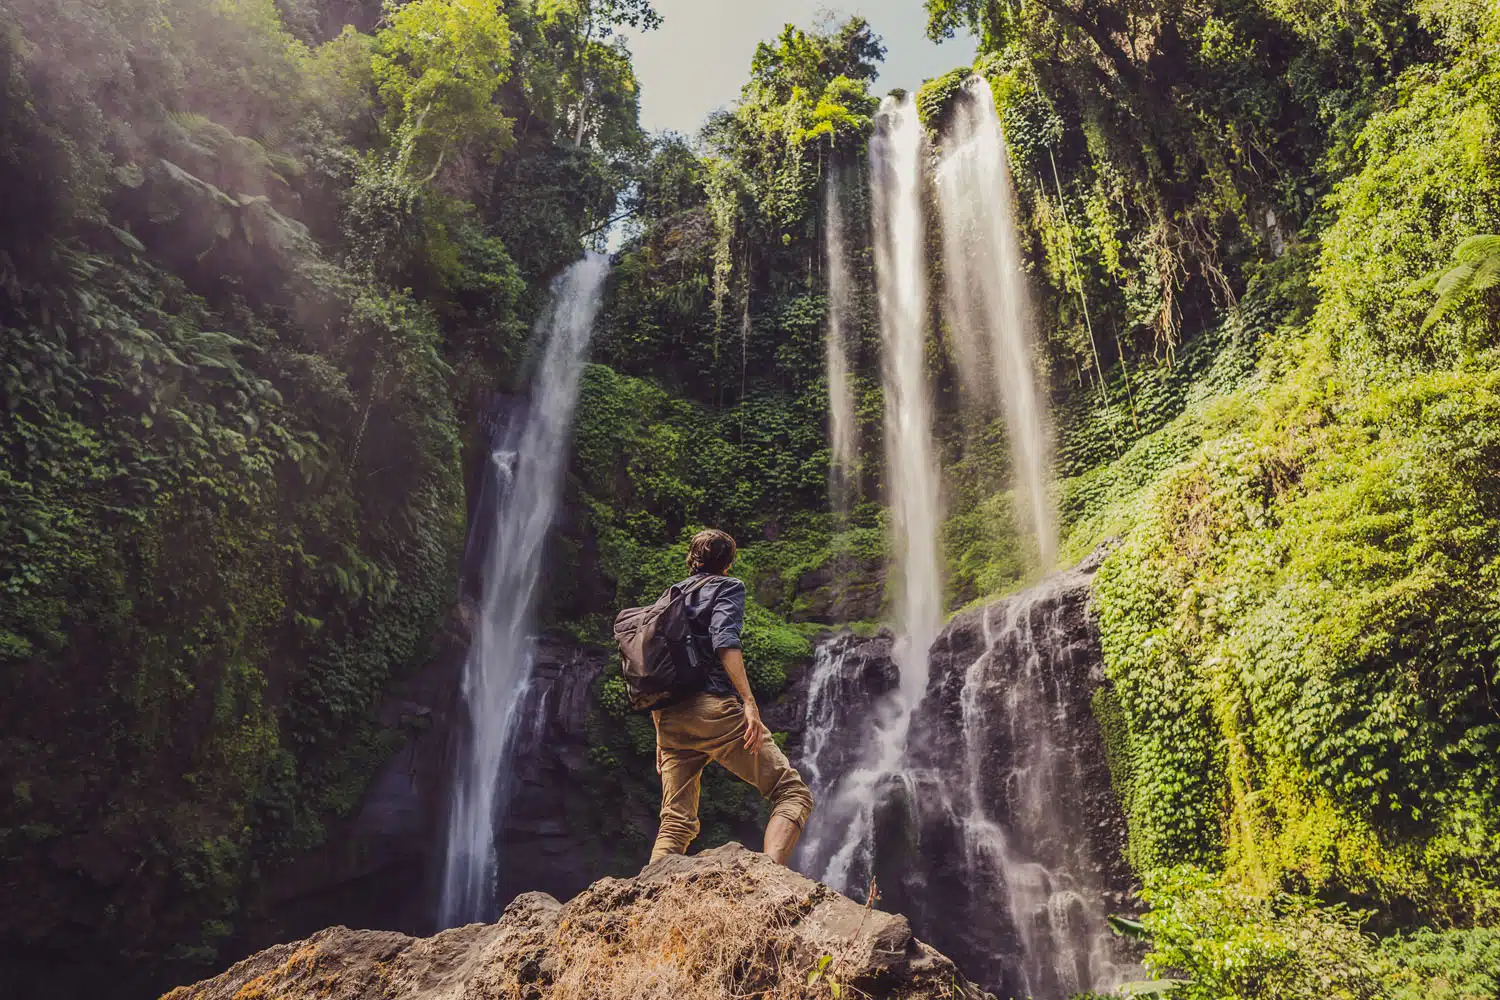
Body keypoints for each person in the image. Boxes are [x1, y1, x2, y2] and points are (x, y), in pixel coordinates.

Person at [649, 528, 814, 866]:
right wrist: (749, 703)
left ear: (692, 559)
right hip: (713, 712)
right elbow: (725, 640)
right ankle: (771, 886)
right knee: (792, 792)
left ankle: (642, 904)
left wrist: (660, 735)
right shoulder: (728, 587)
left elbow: (654, 666)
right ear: (727, 563)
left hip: (670, 718)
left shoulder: (671, 596)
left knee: (675, 822)